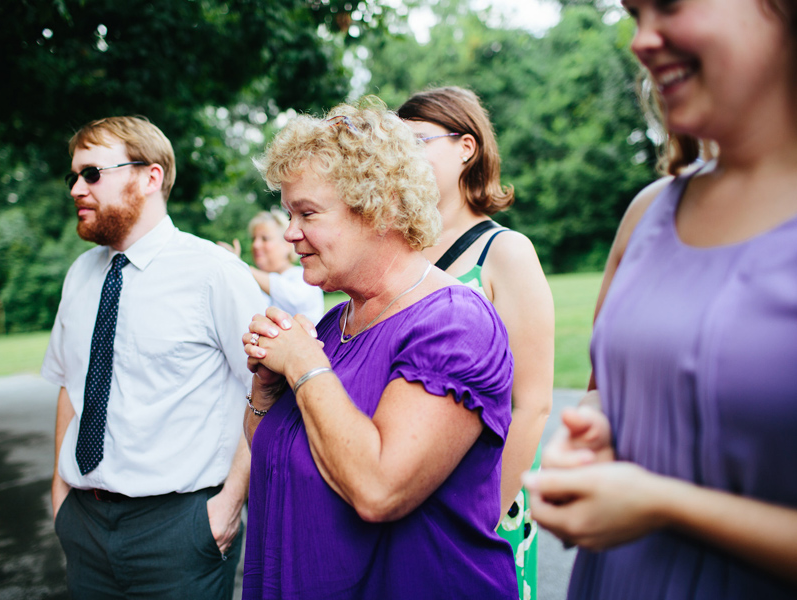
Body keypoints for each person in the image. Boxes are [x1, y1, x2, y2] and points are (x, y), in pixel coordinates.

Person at [525, 0, 797, 597]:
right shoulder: (649, 213)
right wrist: (589, 433)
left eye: (668, 5)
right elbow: (605, 394)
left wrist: (666, 505)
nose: (642, 40)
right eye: (633, 12)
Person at [240, 101, 518, 599]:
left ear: (380, 208)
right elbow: (272, 454)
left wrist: (303, 364)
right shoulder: (331, 326)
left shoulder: (454, 323)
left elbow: (378, 489)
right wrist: (267, 385)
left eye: (307, 212)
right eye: (288, 213)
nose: (289, 233)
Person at [41, 116, 266, 598]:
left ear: (150, 177)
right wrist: (60, 495)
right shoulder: (79, 275)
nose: (78, 188)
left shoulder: (214, 272)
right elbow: (68, 384)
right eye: (74, 176)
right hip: (83, 525)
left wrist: (228, 503)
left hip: (181, 530)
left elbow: (265, 390)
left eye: (93, 174)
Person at [398, 87, 554, 600]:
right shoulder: (397, 252)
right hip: (405, 492)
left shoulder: (505, 252)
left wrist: (487, 515)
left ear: (467, 147)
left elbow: (531, 403)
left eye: (417, 140)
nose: (404, 154)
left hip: (483, 504)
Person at [218, 210, 325, 323]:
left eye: (265, 239)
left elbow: (293, 299)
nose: (256, 245)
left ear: (287, 245)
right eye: (253, 239)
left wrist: (239, 266)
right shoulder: (254, 282)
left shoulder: (303, 277)